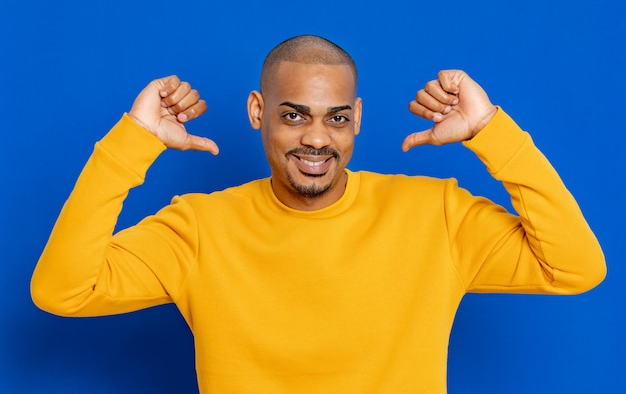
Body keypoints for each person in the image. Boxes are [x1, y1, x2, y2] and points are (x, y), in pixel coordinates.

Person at [31, 35, 606, 393]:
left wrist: (490, 133)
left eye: (335, 118)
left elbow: (576, 268)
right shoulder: (200, 229)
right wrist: (134, 142)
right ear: (258, 112)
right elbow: (62, 291)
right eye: (294, 115)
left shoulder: (436, 215)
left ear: (356, 118)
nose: (316, 139)